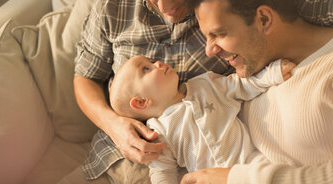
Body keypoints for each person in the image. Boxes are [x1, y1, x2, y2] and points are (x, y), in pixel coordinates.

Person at [69, 0, 333, 183]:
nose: (167, 7)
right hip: (112, 155)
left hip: (194, 164)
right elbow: (85, 75)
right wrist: (114, 124)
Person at [181, 0, 333, 184]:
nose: (209, 51)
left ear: (264, 20)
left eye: (219, 34)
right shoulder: (255, 65)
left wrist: (236, 179)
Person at [108, 55, 294, 183]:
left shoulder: (205, 84)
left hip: (250, 163)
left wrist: (273, 73)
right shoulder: (158, 132)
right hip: (210, 179)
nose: (158, 62)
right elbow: (162, 170)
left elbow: (242, 84)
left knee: (275, 175)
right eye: (146, 69)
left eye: (151, 61)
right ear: (141, 102)